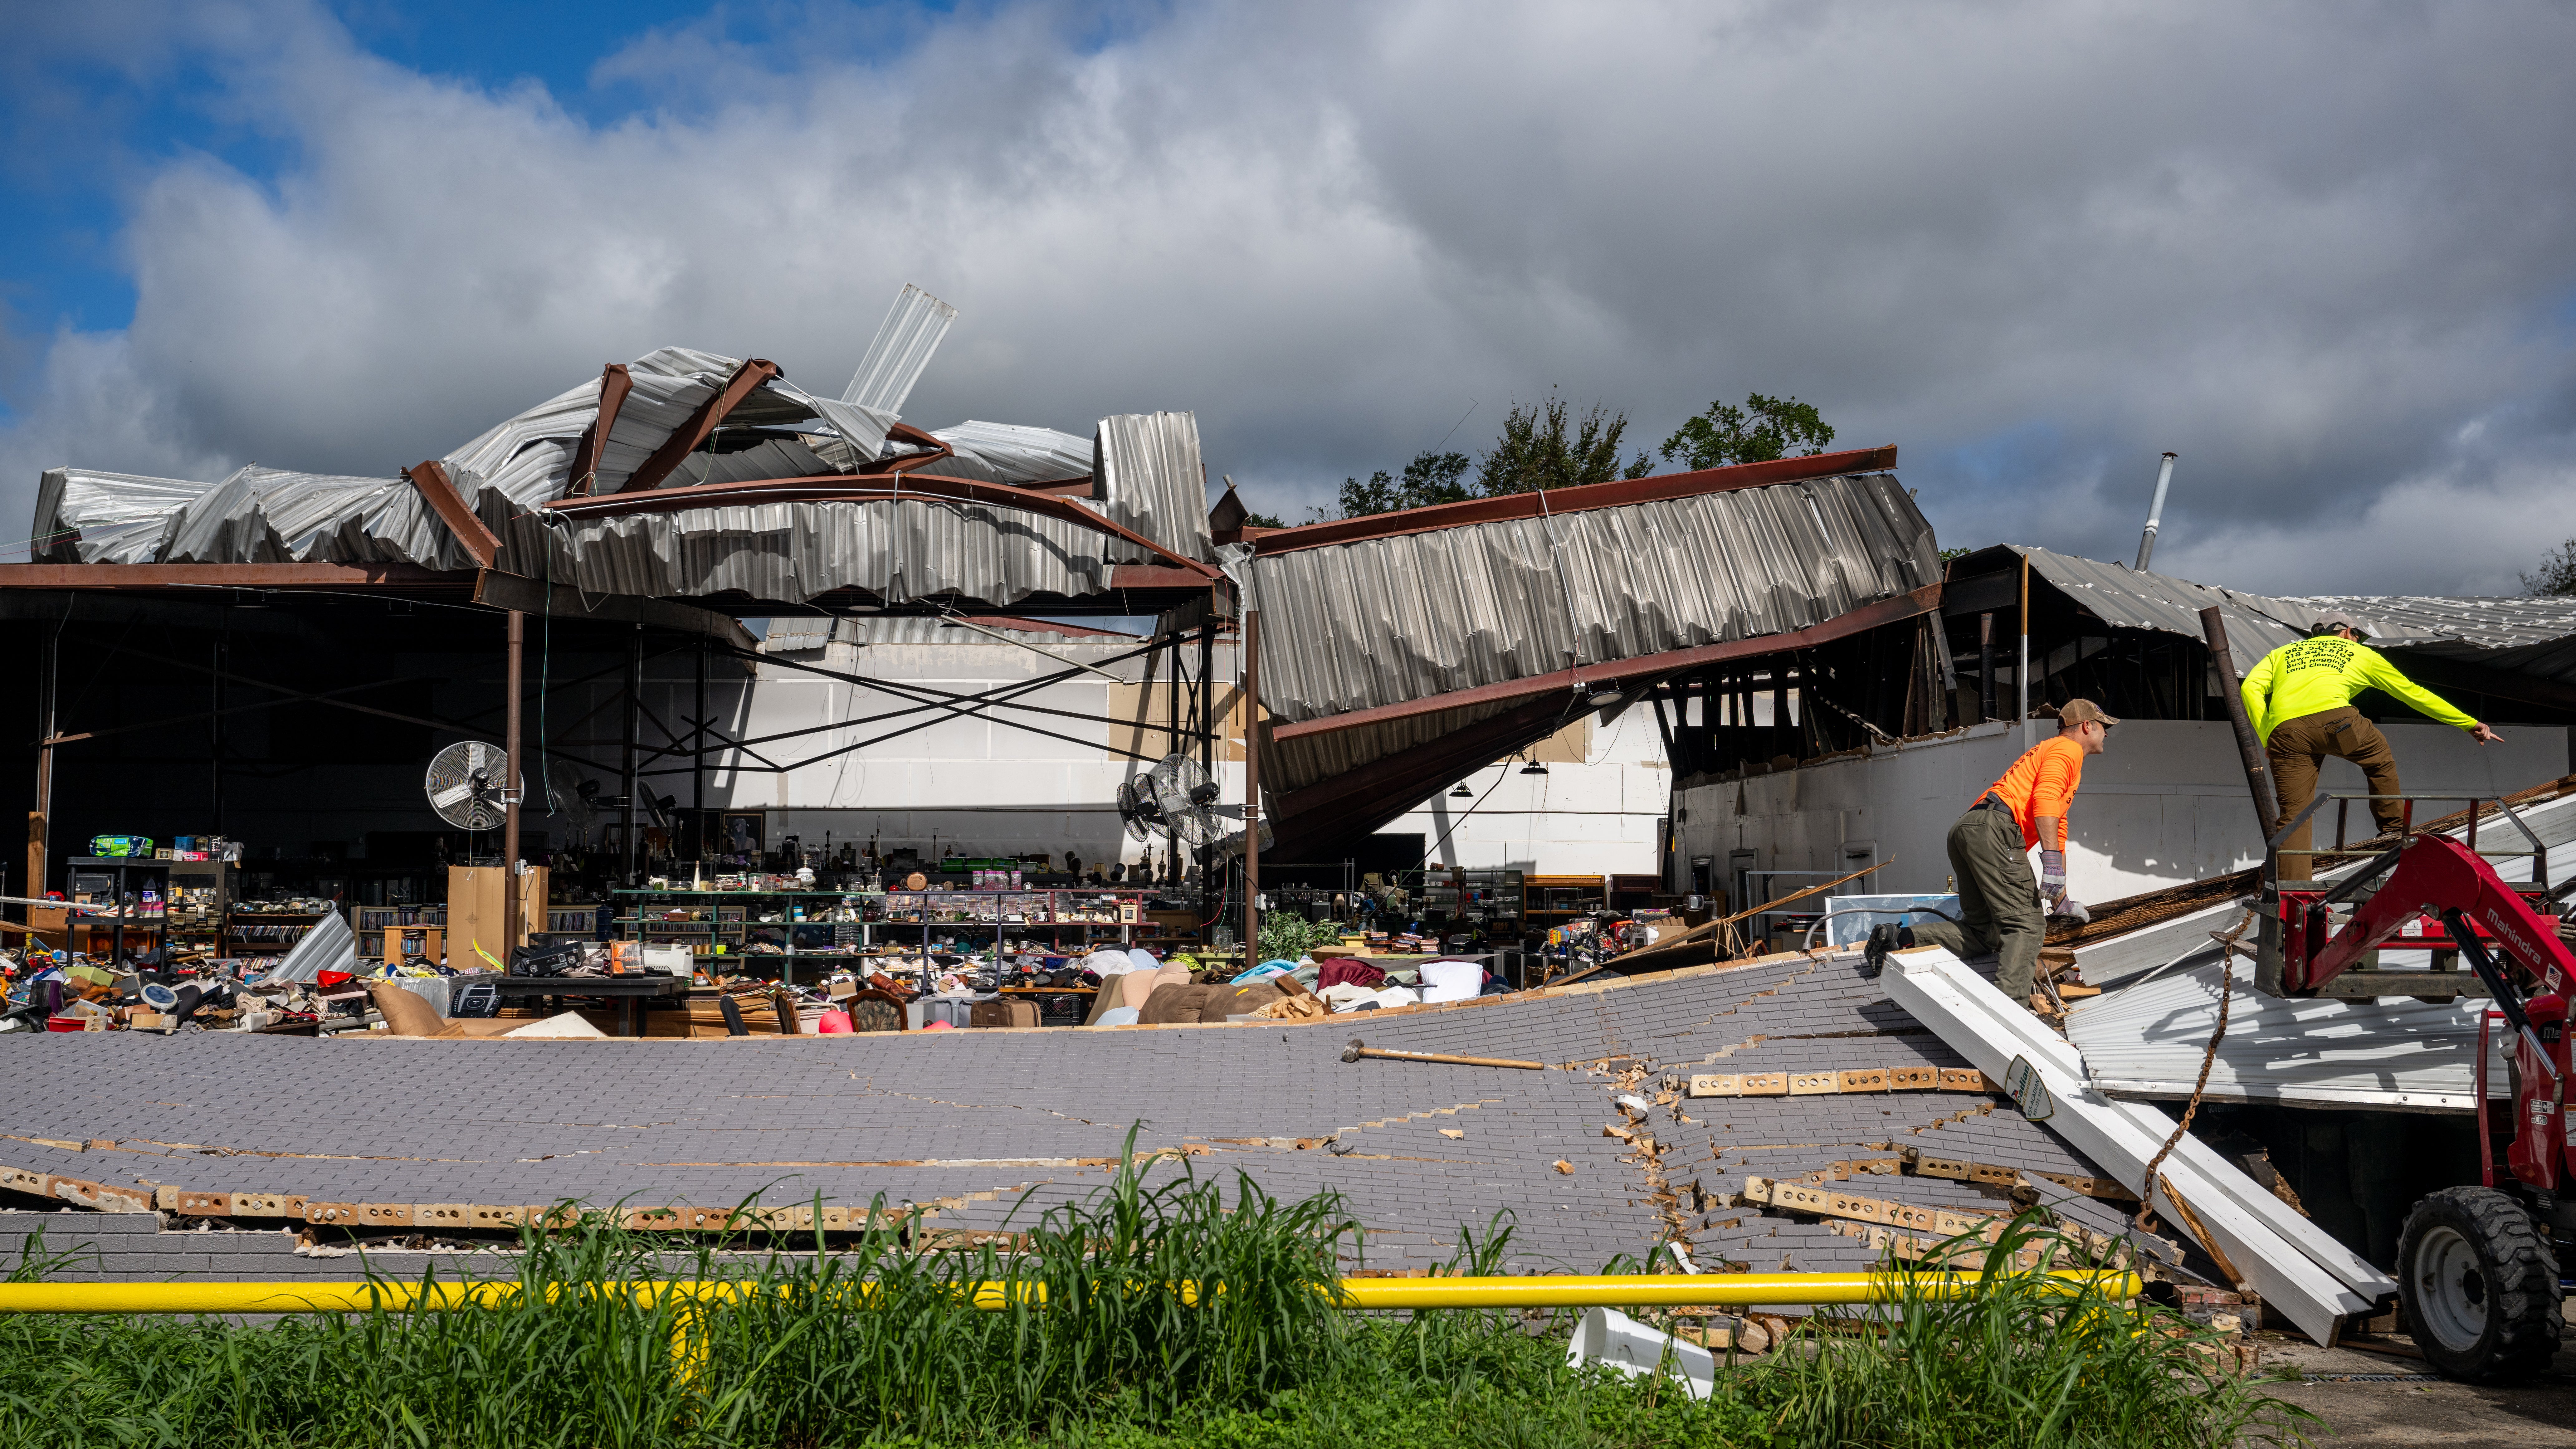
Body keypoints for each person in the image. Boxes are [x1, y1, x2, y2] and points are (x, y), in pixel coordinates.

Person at [1865, 699, 2117, 1008]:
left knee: (1986, 933)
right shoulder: (2068, 751)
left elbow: (2057, 826)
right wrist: (2051, 866)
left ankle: (1899, 940)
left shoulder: (2053, 754)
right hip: (1995, 829)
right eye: (2104, 727)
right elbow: (2045, 801)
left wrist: (2061, 898)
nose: (2107, 734)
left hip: (1970, 829)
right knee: (2026, 925)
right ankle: (2009, 1016)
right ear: (2087, 726)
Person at [2242, 611, 2500, 874]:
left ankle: (2293, 891)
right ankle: (2392, 829)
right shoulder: (2363, 655)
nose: (2358, 641)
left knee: (2294, 816)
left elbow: (2250, 688)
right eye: (2357, 635)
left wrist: (2268, 735)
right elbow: (2413, 694)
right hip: (2337, 721)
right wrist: (2467, 723)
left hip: (2286, 733)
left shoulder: (2282, 653)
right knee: (2378, 758)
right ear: (2345, 632)